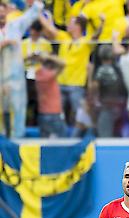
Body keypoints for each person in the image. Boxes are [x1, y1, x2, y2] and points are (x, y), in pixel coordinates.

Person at [0, 0, 43, 138]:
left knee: (18, 110)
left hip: (15, 78)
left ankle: (17, 142)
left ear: (7, 12)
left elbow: (34, 11)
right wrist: (4, 44)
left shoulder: (15, 26)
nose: (1, 15)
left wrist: (32, 3)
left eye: (2, 11)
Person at [33, 53, 67, 138]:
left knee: (45, 144)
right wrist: (47, 57)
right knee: (62, 141)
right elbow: (63, 63)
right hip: (54, 114)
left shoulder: (38, 74)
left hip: (42, 114)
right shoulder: (49, 75)